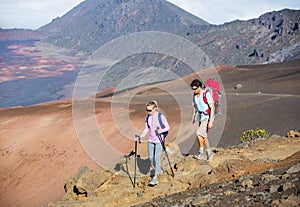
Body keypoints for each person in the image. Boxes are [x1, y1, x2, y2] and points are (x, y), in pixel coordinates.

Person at [137, 100, 170, 186]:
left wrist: (160, 131)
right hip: (151, 140)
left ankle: (155, 178)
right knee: (151, 159)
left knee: (156, 158)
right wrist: (141, 136)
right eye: (147, 110)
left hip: (159, 140)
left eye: (150, 110)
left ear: (155, 108)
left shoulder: (160, 116)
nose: (148, 112)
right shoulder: (147, 117)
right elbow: (146, 129)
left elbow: (167, 127)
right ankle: (158, 170)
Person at [191, 79, 215, 162]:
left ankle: (201, 153)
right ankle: (209, 153)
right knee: (204, 136)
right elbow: (195, 107)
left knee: (199, 134)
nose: (193, 90)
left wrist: (211, 121)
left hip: (207, 117)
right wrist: (194, 117)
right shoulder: (194, 95)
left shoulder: (206, 94)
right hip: (201, 116)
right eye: (192, 89)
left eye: (195, 89)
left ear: (199, 87)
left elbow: (212, 107)